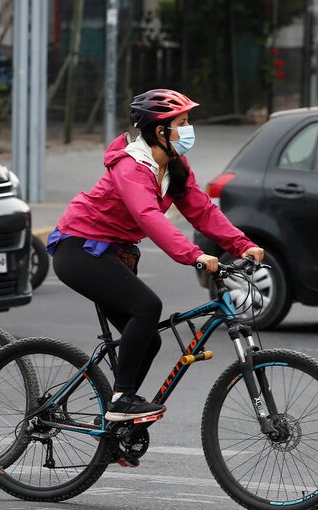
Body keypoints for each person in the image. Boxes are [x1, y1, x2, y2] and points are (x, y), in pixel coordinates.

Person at [48, 89, 264, 423]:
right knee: (147, 307)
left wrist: (241, 244)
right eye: (182, 122)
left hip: (117, 253)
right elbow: (148, 216)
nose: (189, 129)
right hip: (79, 248)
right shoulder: (131, 167)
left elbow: (202, 210)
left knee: (149, 340)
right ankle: (121, 401)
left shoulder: (174, 166)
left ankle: (119, 417)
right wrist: (193, 254)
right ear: (159, 131)